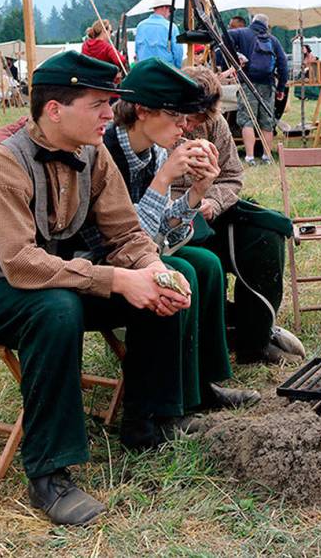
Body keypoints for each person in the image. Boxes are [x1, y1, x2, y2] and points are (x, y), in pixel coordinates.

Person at [0, 52, 192, 526]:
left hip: (47, 278)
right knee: (55, 310)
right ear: (55, 109)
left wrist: (153, 269)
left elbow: (125, 233)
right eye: (98, 104)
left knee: (159, 283)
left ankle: (150, 419)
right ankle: (50, 475)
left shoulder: (92, 153)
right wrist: (117, 278)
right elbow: (21, 264)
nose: (107, 115)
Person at [100, 58, 261, 412]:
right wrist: (164, 181)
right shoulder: (106, 152)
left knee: (206, 263)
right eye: (177, 118)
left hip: (136, 252)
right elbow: (129, 239)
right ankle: (168, 404)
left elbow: (163, 234)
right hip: (103, 261)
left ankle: (203, 384)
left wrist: (198, 191)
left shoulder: (154, 151)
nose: (184, 128)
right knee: (185, 271)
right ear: (142, 111)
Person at [170, 66, 301, 364]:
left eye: (198, 119)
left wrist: (212, 203)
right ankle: (213, 337)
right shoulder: (157, 124)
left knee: (264, 237)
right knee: (202, 264)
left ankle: (254, 338)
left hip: (211, 216)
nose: (190, 126)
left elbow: (231, 176)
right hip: (168, 228)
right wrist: (184, 203)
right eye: (187, 117)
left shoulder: (214, 124)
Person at [228, 13, 288, 165]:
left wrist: (236, 56)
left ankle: (249, 156)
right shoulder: (273, 40)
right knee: (267, 121)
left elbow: (223, 37)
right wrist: (281, 88)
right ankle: (267, 156)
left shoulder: (241, 33)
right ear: (266, 26)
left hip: (247, 83)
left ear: (252, 22)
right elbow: (283, 65)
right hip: (268, 85)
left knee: (247, 120)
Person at [134, 0, 183, 67]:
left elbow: (137, 51)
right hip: (164, 71)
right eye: (170, 10)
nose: (170, 13)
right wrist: (177, 69)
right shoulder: (171, 27)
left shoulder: (140, 26)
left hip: (144, 70)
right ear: (164, 8)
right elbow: (178, 53)